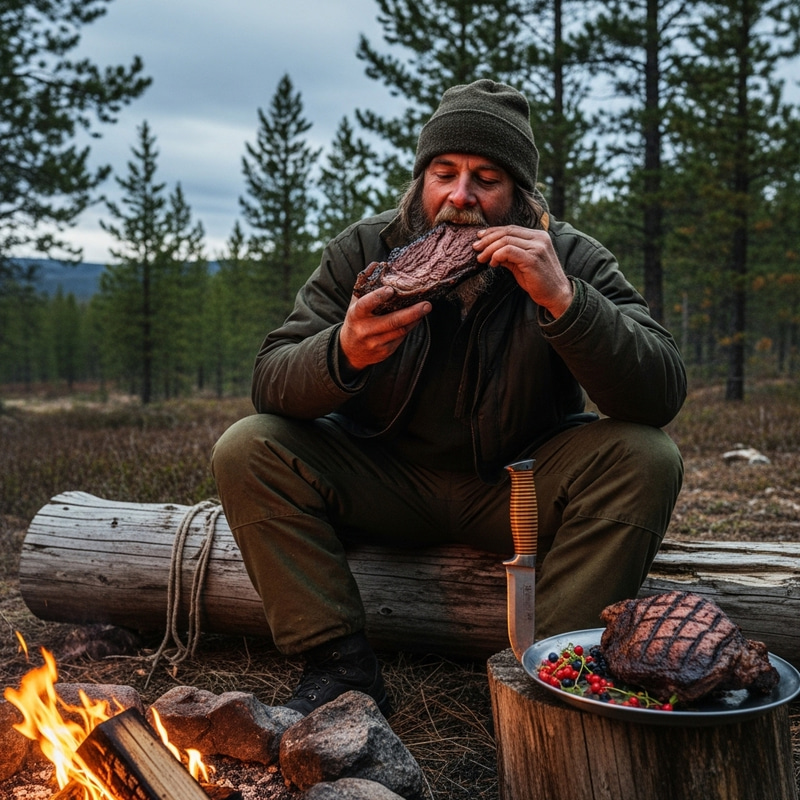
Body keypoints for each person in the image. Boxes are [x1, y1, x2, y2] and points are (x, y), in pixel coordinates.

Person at [211, 79, 686, 716]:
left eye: (486, 178)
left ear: (519, 193)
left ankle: (550, 676)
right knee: (248, 446)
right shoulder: (366, 248)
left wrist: (564, 301)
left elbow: (658, 394)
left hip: (517, 489)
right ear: (421, 179)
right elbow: (272, 379)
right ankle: (339, 665)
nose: (460, 197)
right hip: (384, 479)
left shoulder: (569, 256)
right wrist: (343, 350)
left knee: (646, 456)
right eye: (444, 172)